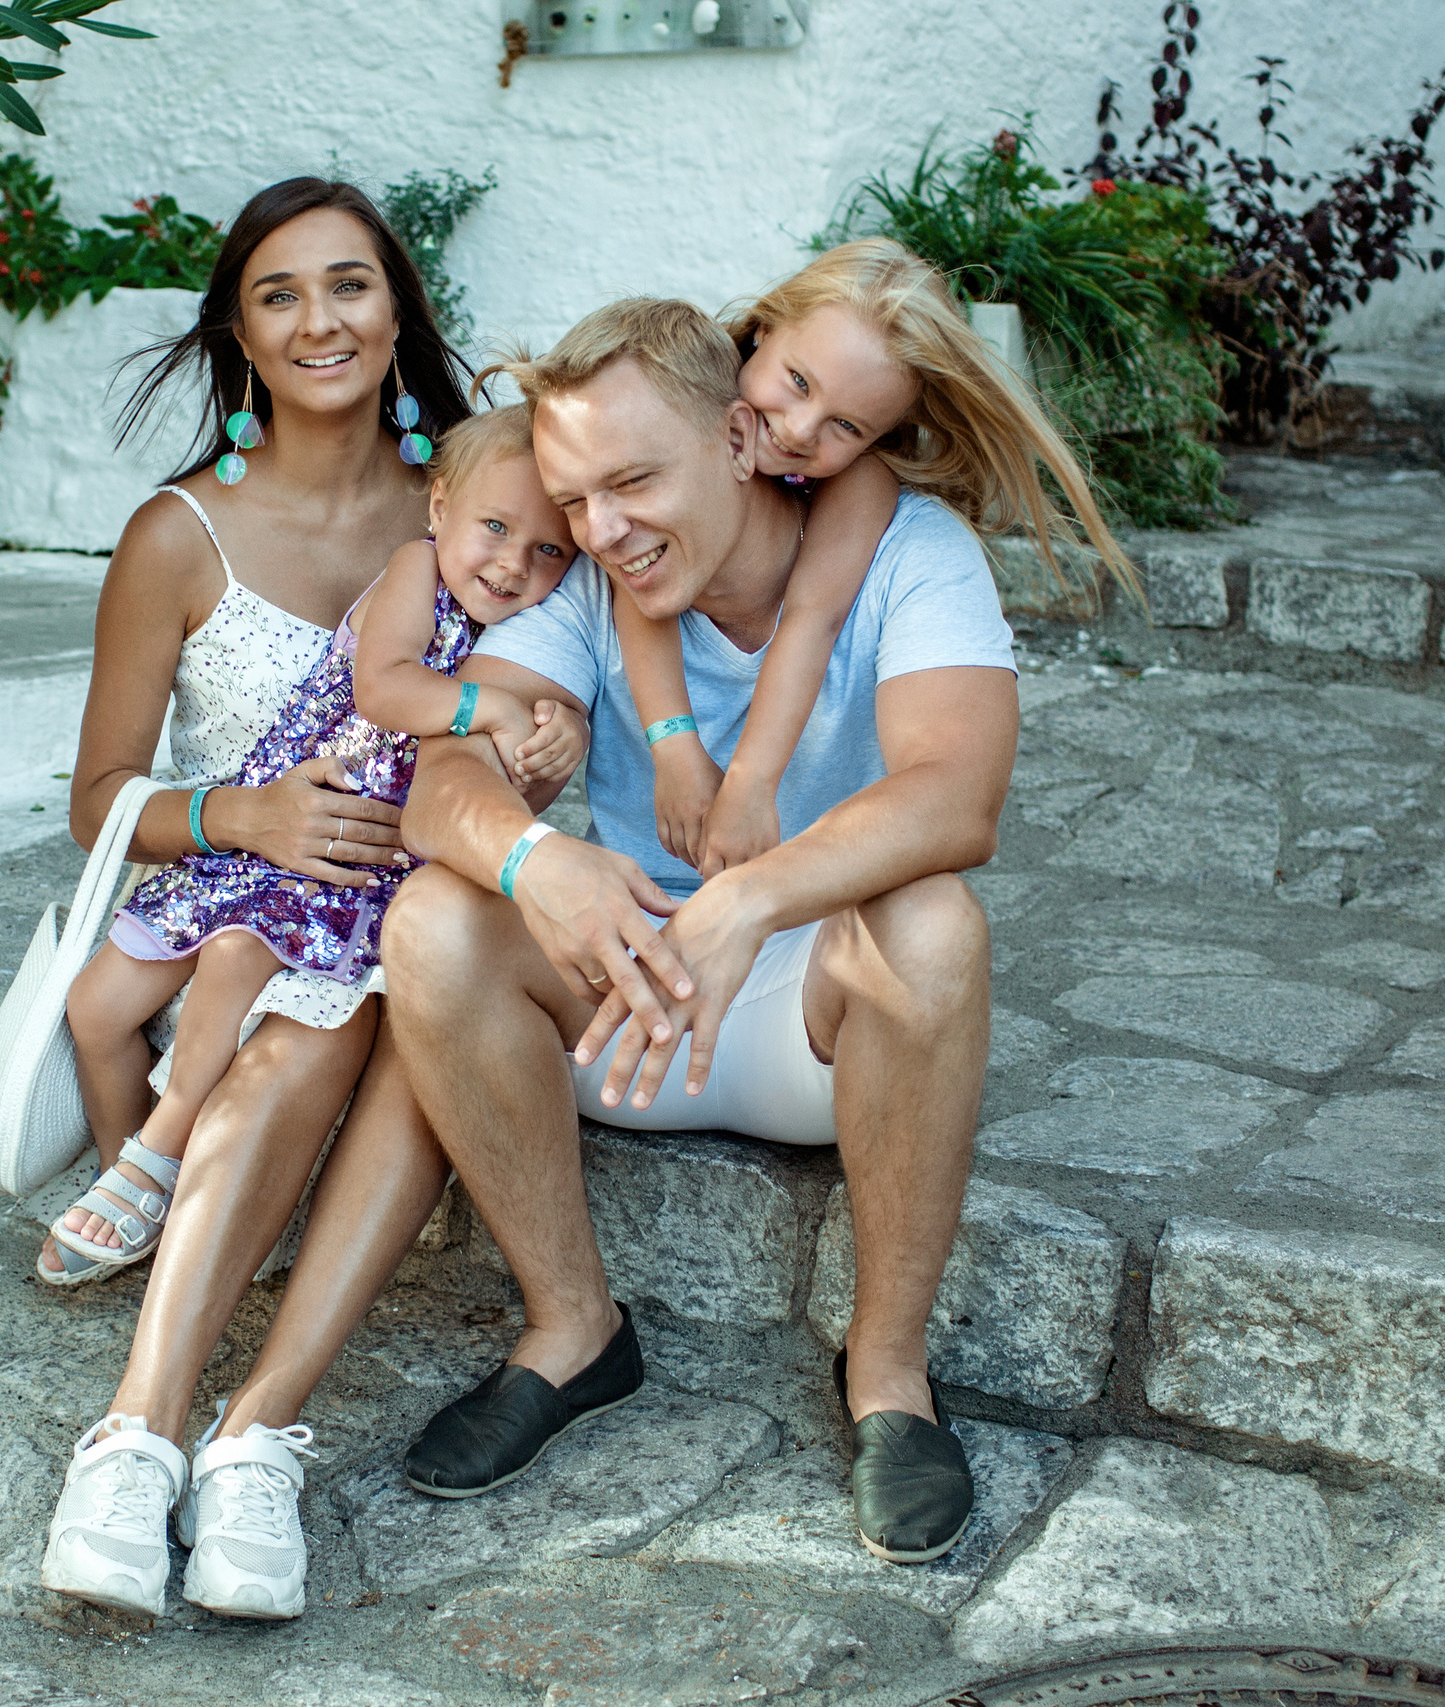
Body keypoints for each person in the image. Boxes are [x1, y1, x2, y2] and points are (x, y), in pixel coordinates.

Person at [383, 289, 1068, 1565]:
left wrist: (750, 899)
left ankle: (888, 1374)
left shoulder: (910, 554)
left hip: (811, 1016)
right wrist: (541, 861)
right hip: (628, 997)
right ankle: (571, 1331)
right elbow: (442, 779)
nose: (602, 530)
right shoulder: (592, 579)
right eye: (576, 497)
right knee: (435, 917)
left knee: (933, 923)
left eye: (632, 482)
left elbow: (954, 793)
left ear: (739, 439)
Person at [30, 178, 479, 1624]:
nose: (319, 318)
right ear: (238, 329)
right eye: (279, 293)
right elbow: (99, 798)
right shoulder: (178, 532)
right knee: (298, 1016)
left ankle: (209, 1435)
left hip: (428, 901)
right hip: (252, 903)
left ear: (398, 306)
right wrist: (252, 815)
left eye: (349, 284)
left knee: (368, 992)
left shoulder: (479, 510)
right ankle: (150, 1438)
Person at [49, 405, 582, 1286]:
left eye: (547, 552)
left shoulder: (527, 633)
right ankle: (137, 1186)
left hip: (350, 869)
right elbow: (384, 688)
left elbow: (514, 789)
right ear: (438, 507)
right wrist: (487, 708)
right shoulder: (417, 572)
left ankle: (164, 1141)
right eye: (495, 527)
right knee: (98, 1006)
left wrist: (552, 740)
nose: (513, 564)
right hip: (283, 823)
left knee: (231, 958)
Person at [622, 238, 1133, 874]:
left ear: (879, 436)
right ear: (766, 324)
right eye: (799, 381)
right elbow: (633, 576)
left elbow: (811, 619)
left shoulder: (858, 487)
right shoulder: (680, 405)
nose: (801, 429)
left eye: (848, 426)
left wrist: (751, 784)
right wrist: (673, 749)